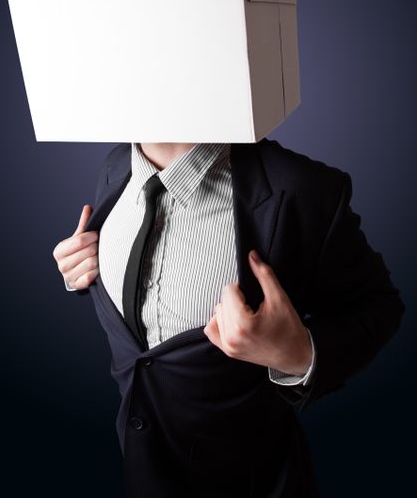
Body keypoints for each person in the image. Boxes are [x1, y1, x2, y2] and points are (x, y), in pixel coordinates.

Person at [52, 139, 405, 498]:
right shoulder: (115, 165)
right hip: (140, 476)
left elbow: (379, 305)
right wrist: (82, 270)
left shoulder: (299, 188)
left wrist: (299, 353)